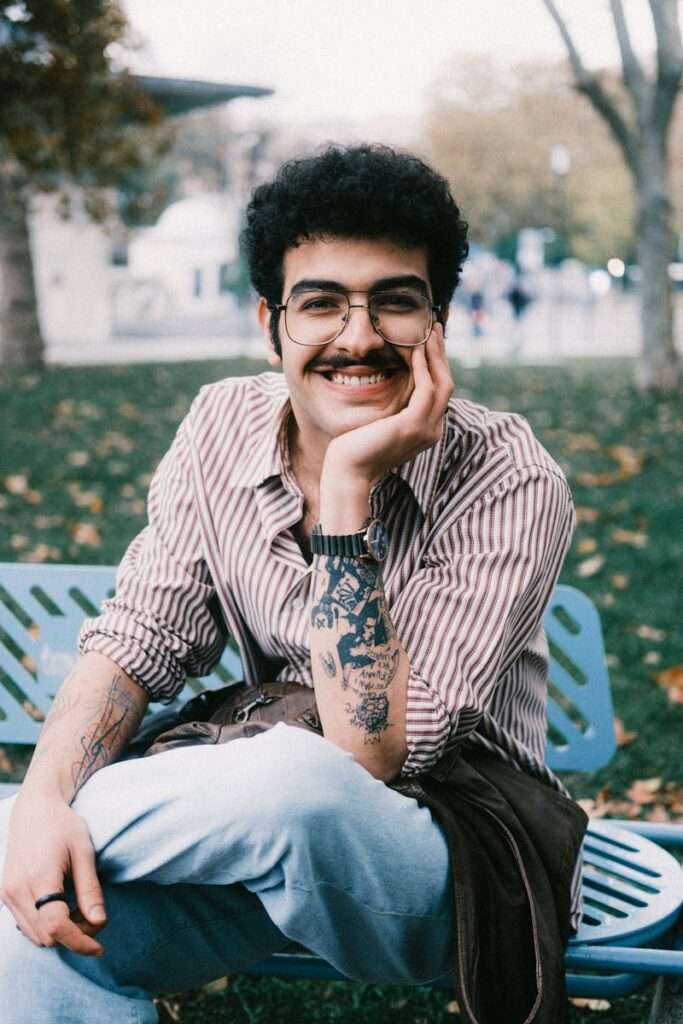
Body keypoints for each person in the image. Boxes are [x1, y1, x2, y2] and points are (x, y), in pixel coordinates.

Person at [0, 145, 582, 1024]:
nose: (357, 337)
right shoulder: (220, 425)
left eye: (393, 300)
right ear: (269, 320)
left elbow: (374, 756)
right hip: (246, 837)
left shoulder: (507, 476)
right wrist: (44, 803)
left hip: (453, 862)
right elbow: (136, 642)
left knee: (296, 784)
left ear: (438, 321)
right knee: (38, 941)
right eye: (320, 304)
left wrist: (347, 493)